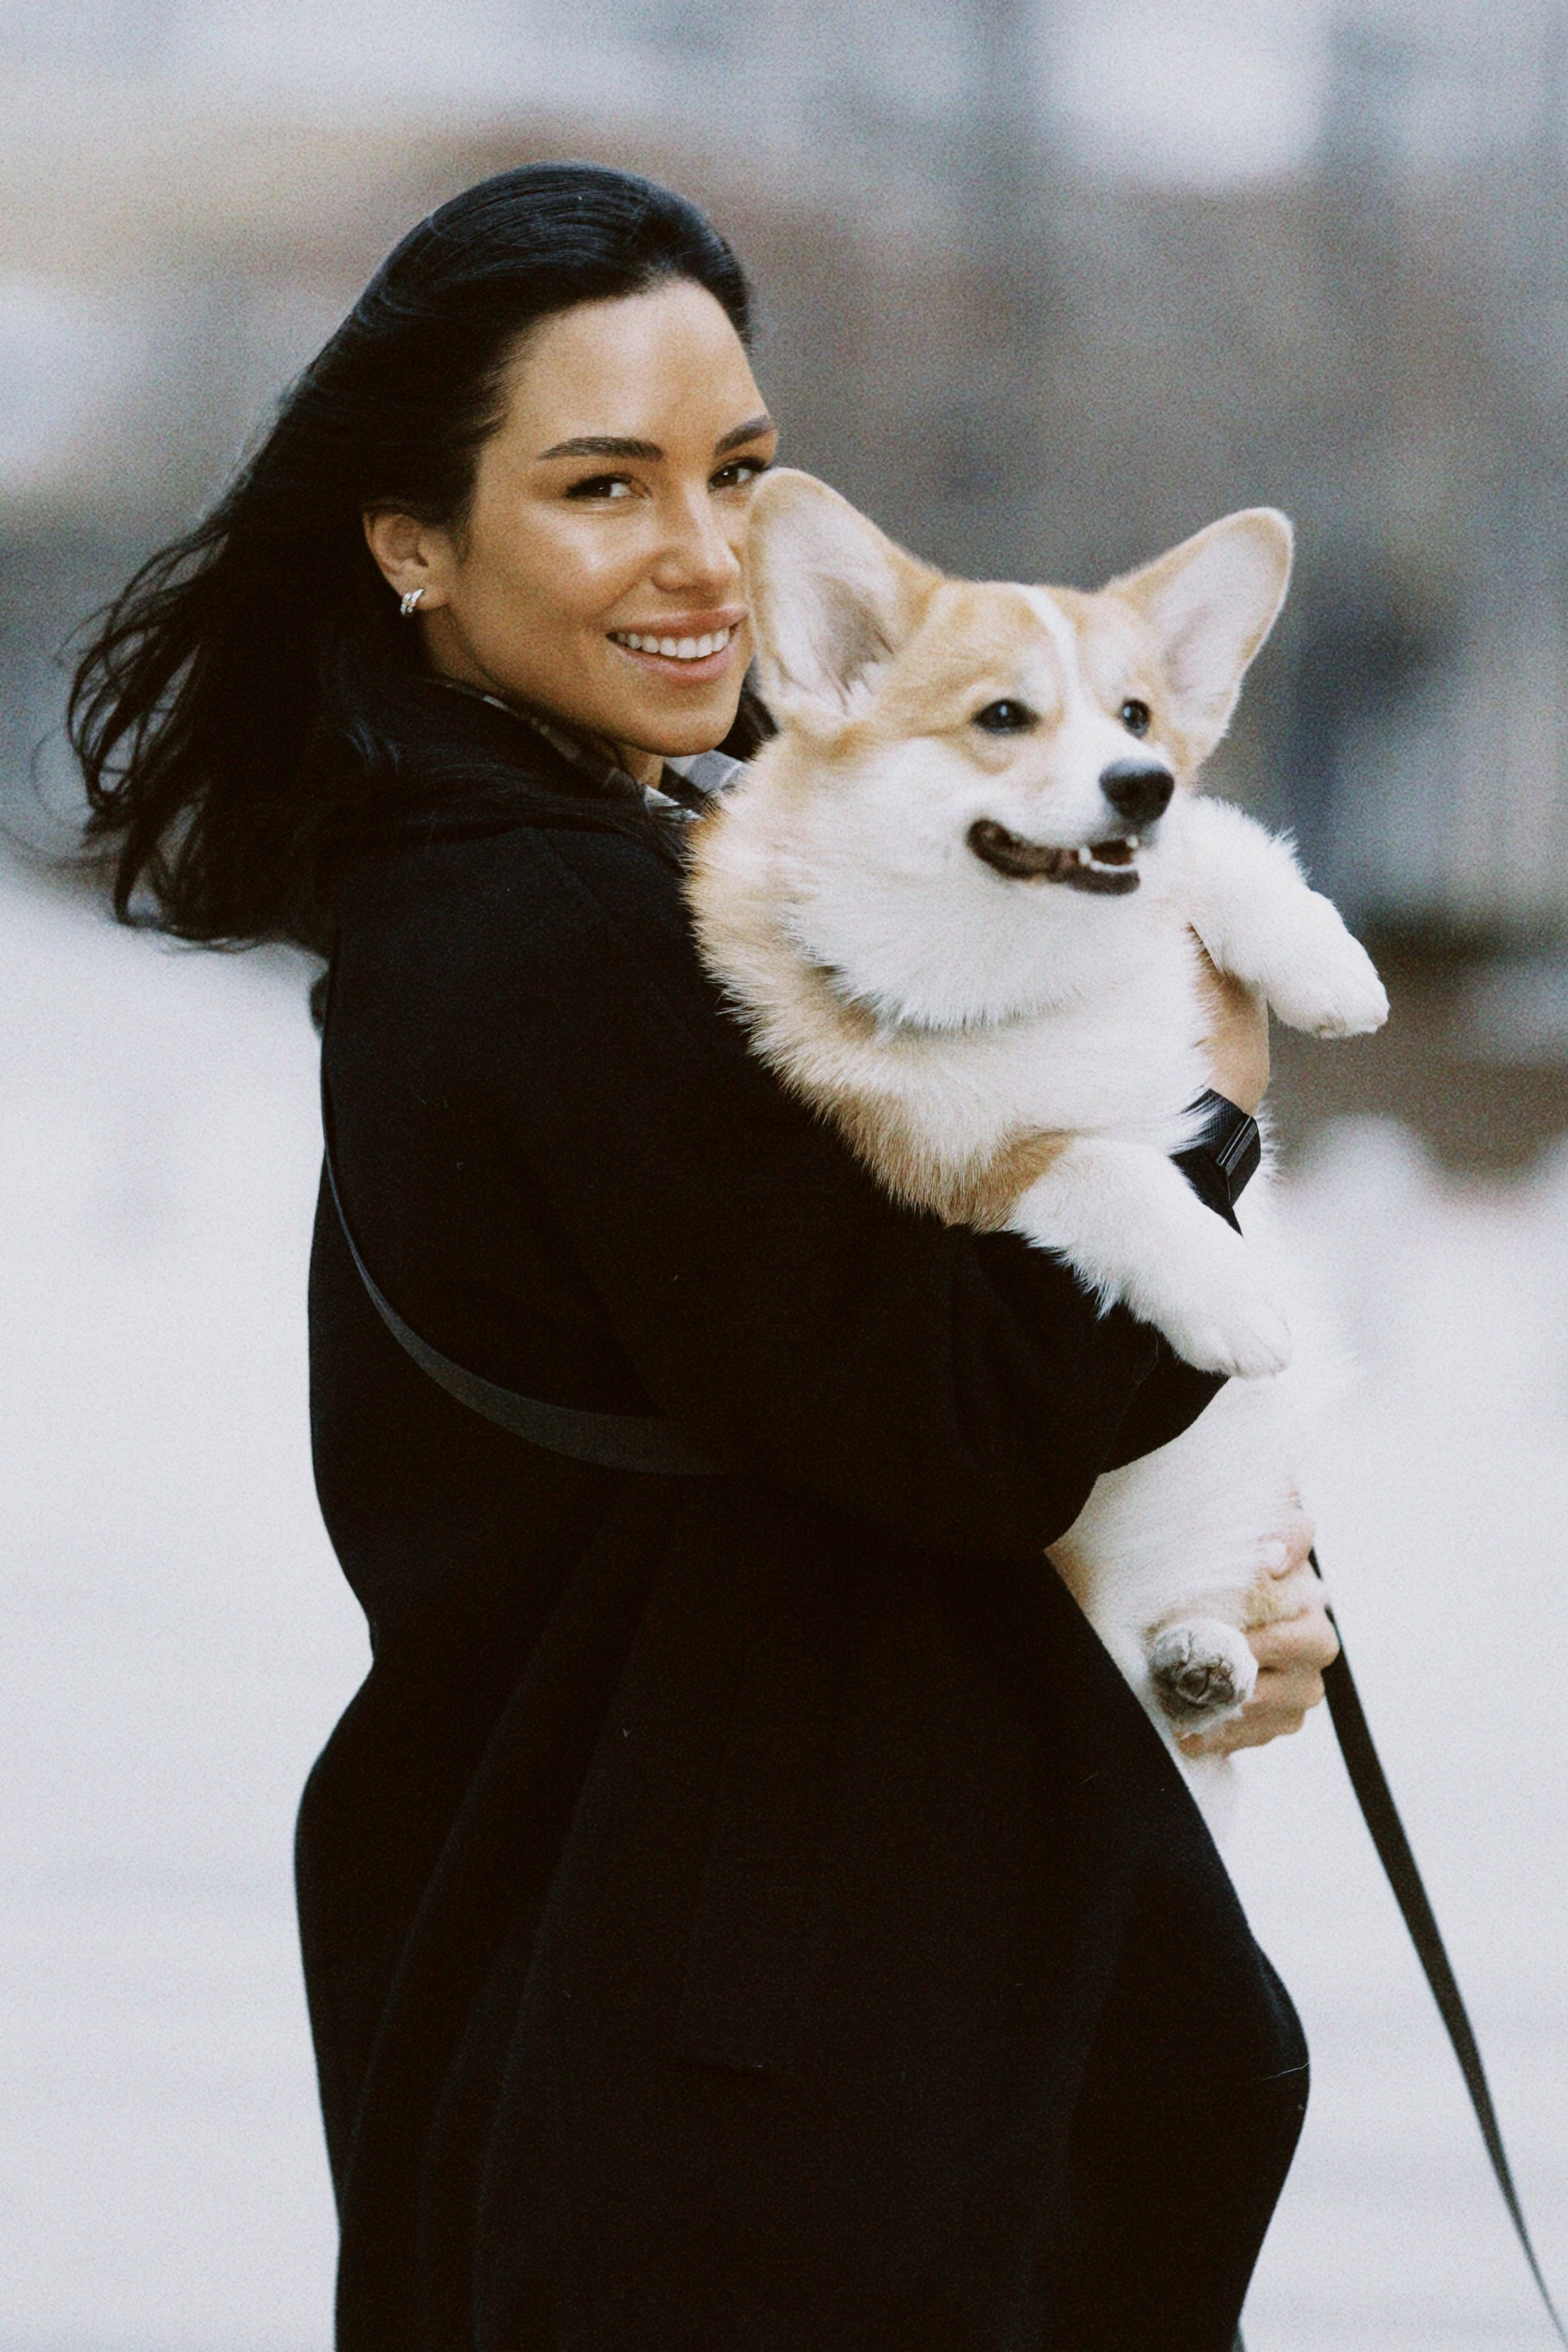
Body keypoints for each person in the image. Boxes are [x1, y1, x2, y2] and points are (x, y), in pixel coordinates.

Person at [69, 163, 1338, 2351]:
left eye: (738, 474)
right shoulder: (552, 932)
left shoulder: (584, 873)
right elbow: (950, 1422)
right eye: (601, 485)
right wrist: (1202, 1111)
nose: (707, 557)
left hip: (691, 2008)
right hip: (747, 2096)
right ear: (411, 540)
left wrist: (1185, 1609)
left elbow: (839, 1391)